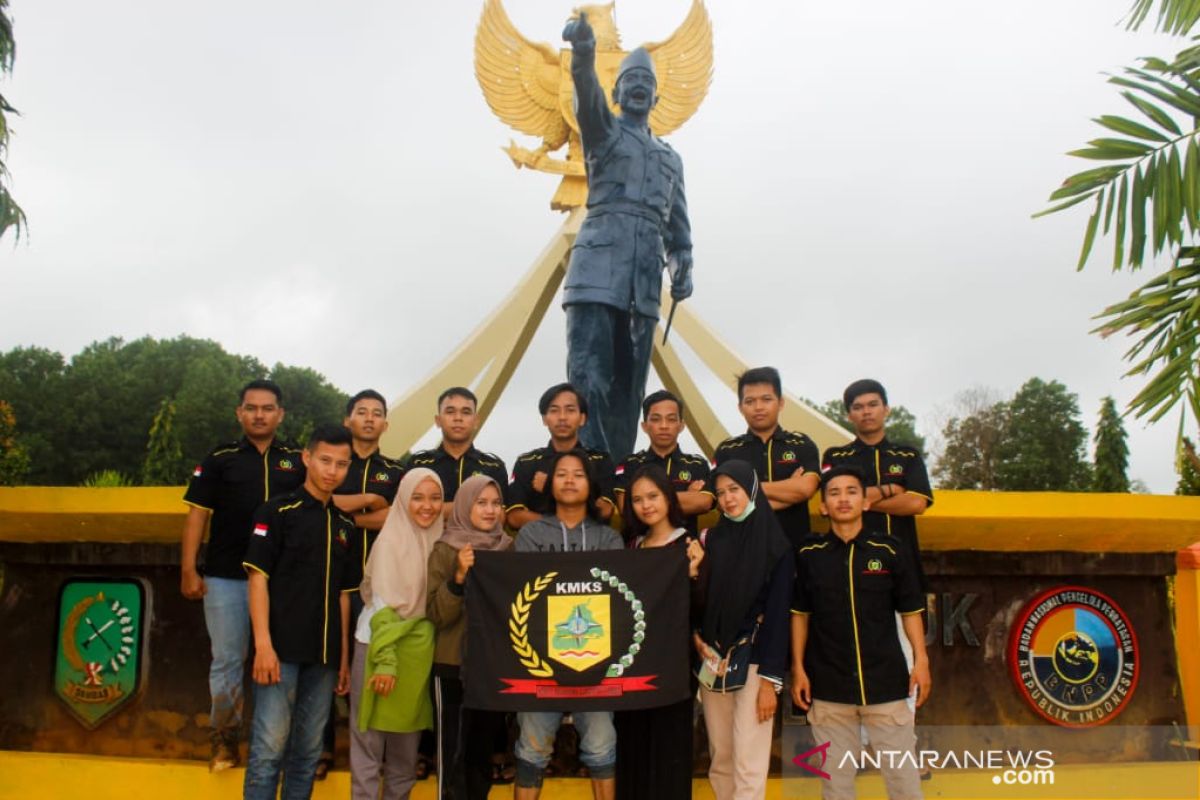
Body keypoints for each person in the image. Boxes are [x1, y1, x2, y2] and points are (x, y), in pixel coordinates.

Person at [560, 11, 694, 462]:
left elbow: (678, 228)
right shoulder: (604, 133)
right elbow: (586, 95)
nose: (638, 86)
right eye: (629, 80)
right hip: (597, 271)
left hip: (642, 283)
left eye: (646, 81)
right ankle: (585, 472)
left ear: (656, 95)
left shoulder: (671, 160)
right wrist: (584, 53)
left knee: (630, 386)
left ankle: (614, 476)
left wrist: (683, 264)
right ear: (617, 92)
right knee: (590, 378)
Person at [180, 378, 305, 771]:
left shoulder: (297, 460)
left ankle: (274, 745)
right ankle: (225, 741)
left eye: (268, 408)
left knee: (281, 662)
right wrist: (188, 569)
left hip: (282, 582)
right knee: (228, 660)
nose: (259, 414)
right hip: (225, 577)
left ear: (280, 414)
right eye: (251, 408)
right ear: (239, 413)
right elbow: (197, 514)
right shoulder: (220, 458)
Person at [790, 466, 931, 800]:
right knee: (835, 784)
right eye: (834, 493)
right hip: (828, 686)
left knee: (903, 781)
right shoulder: (810, 554)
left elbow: (911, 610)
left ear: (865, 502)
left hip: (886, 684)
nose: (843, 499)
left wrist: (922, 661)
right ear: (823, 506)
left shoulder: (889, 550)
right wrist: (798, 668)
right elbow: (800, 615)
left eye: (852, 491)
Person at [240, 424, 359, 800]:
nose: (332, 471)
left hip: (323, 659)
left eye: (341, 464)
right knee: (268, 751)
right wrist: (263, 646)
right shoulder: (277, 511)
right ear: (307, 458)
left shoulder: (344, 524)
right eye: (325, 460)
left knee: (307, 755)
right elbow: (257, 579)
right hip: (279, 652)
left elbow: (343, 595)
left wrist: (342, 658)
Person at [513, 450, 624, 799]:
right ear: (550, 484)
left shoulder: (609, 539)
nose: (570, 480)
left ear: (591, 485)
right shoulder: (529, 535)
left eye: (579, 474)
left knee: (602, 746)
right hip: (540, 666)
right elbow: (517, 598)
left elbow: (620, 603)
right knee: (531, 750)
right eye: (562, 474)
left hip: (595, 664)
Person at [318, 388, 406, 778]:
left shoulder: (397, 471)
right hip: (332, 582)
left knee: (383, 675)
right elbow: (321, 501)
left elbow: (396, 518)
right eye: (361, 412)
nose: (369, 418)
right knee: (326, 668)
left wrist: (348, 514)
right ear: (347, 420)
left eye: (377, 413)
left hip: (384, 590)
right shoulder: (334, 464)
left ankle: (381, 757)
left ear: (386, 424)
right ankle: (322, 749)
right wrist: (370, 499)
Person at [693, 460, 793, 800]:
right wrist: (697, 638)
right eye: (720, 493)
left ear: (751, 489)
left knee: (749, 761)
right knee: (721, 757)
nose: (727, 499)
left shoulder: (776, 545)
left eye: (734, 489)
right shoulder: (712, 540)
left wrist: (770, 682)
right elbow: (699, 600)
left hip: (754, 662)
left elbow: (779, 616)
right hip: (712, 659)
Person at [349, 468, 445, 800]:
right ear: (403, 500)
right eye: (417, 497)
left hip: (418, 654)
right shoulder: (390, 541)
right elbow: (381, 610)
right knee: (369, 746)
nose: (427, 507)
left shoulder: (440, 539)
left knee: (406, 751)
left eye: (435, 498)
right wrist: (386, 663)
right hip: (379, 649)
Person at [614, 465, 705, 800]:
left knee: (669, 750)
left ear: (668, 497)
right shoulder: (631, 546)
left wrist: (692, 575)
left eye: (653, 496)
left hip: (672, 666)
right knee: (633, 747)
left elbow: (700, 610)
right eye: (637, 499)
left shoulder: (688, 544)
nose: (645, 505)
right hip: (632, 665)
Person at [426, 474, 512, 800]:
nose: (490, 511)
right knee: (452, 756)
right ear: (464, 506)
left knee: (480, 755)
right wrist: (459, 577)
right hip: (451, 666)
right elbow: (436, 614)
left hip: (490, 670)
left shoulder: (507, 548)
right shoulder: (447, 549)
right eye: (481, 503)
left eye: (496, 503)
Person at [821, 379, 934, 594]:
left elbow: (917, 503)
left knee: (906, 626)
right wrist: (889, 490)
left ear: (886, 409)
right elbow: (830, 504)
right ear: (849, 415)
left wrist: (856, 500)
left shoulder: (908, 455)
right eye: (858, 407)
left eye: (873, 405)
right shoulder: (835, 456)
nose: (866, 412)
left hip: (901, 561)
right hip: (849, 561)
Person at [712, 367, 820, 547]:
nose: (758, 407)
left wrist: (745, 487)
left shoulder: (801, 444)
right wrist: (788, 494)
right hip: (742, 551)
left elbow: (805, 490)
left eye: (766, 399)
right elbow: (722, 504)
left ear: (781, 403)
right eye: (750, 401)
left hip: (795, 550)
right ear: (740, 407)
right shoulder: (727, 450)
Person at [507, 383, 616, 531]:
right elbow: (514, 516)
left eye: (570, 410)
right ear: (545, 419)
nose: (562, 417)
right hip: (540, 547)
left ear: (582, 418)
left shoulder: (601, 461)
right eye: (554, 410)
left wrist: (550, 486)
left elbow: (605, 510)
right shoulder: (527, 463)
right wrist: (562, 523)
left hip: (591, 546)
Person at [614, 390, 713, 537]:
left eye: (671, 419)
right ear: (644, 426)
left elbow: (704, 503)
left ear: (681, 425)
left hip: (684, 552)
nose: (664, 426)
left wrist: (645, 501)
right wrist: (687, 496)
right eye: (656, 419)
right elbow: (626, 508)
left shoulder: (697, 464)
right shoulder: (630, 464)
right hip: (638, 550)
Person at [407, 387, 509, 510]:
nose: (458, 418)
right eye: (450, 412)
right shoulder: (418, 464)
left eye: (466, 412)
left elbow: (500, 516)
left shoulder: (493, 466)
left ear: (476, 421)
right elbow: (406, 511)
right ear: (438, 420)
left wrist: (437, 510)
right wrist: (471, 508)